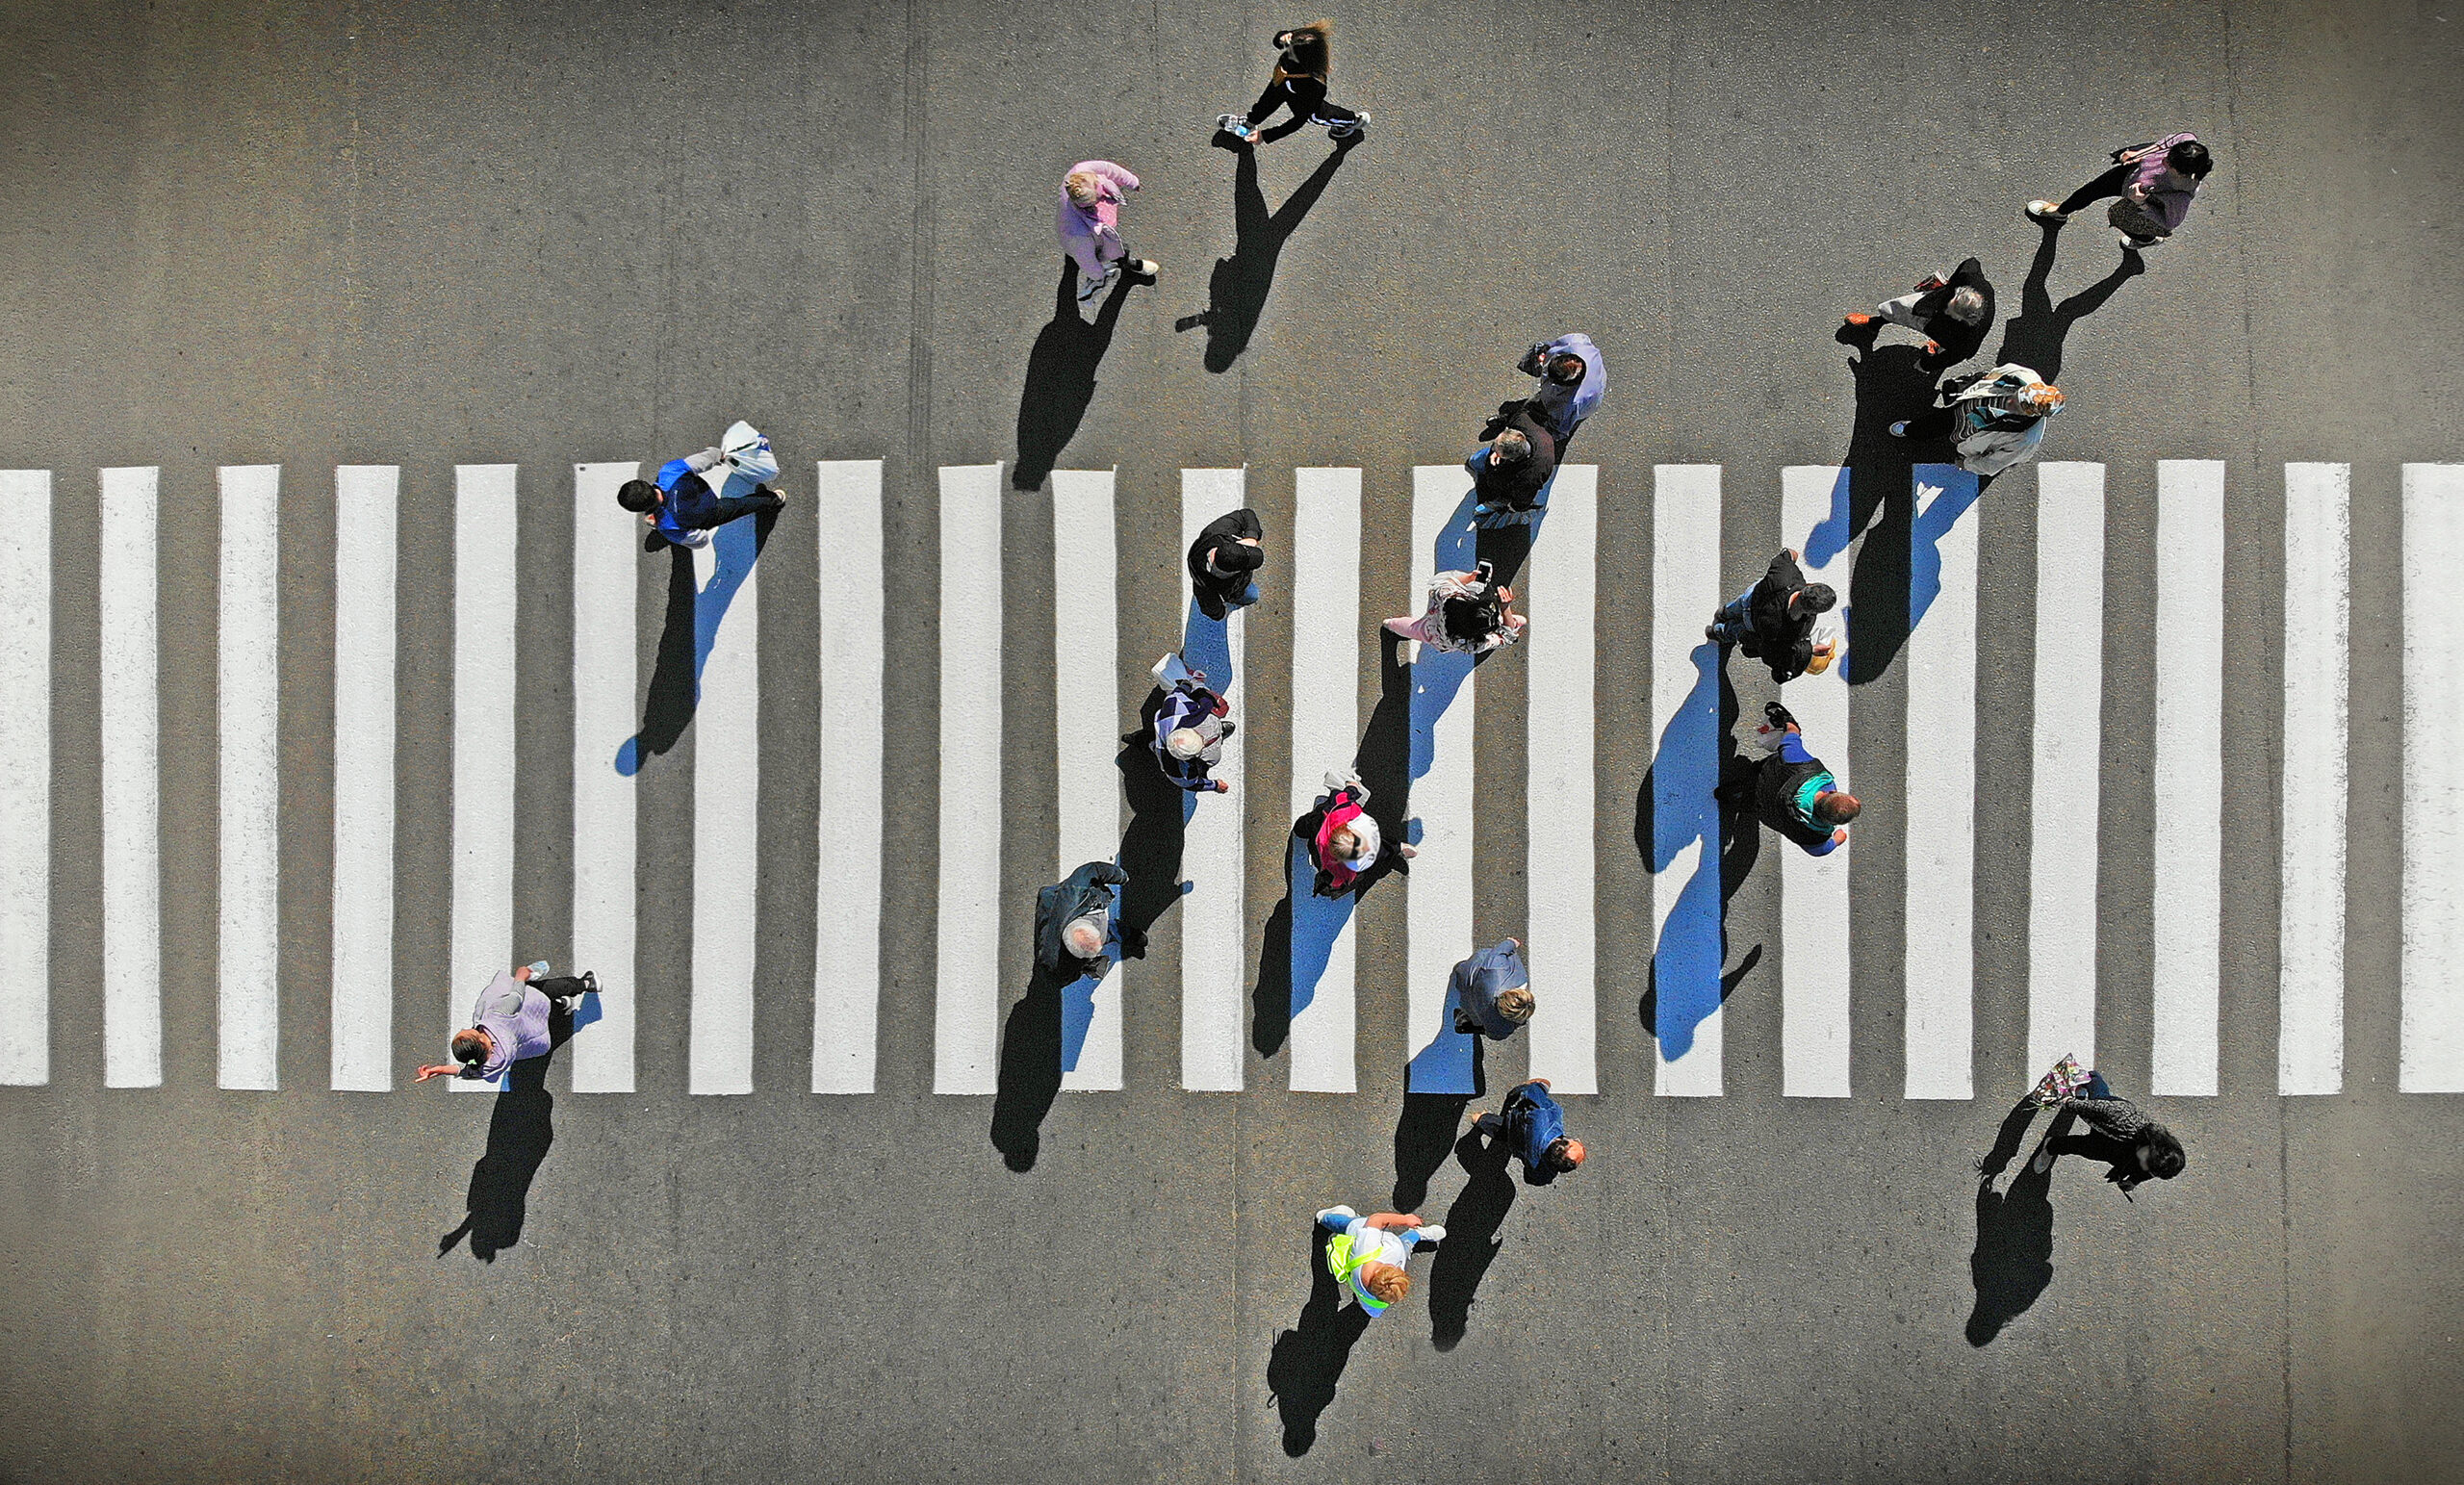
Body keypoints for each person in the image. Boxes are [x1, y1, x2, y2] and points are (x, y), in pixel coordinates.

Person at [2025, 134, 2214, 253]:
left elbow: (2170, 222)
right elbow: (2167, 142)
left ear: (2183, 173)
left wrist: (2141, 203)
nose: (2163, 162)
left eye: (2169, 165)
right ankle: (2061, 212)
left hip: (2136, 196)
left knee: (2128, 221)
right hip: (2128, 173)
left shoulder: (2180, 195)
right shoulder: (2185, 143)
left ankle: (2146, 240)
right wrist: (2138, 154)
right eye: (2167, 157)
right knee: (2090, 190)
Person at [617, 421, 785, 551]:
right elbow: (706, 458)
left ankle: (774, 499)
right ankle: (774, 499)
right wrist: (719, 456)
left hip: (712, 515)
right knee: (740, 505)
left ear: (641, 509)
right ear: (645, 484)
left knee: (740, 507)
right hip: (706, 495)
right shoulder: (669, 472)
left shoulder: (668, 527)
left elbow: (700, 540)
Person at [415, 962, 595, 1084]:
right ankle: (587, 983)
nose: (465, 1028)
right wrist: (520, 976)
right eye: (470, 1031)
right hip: (532, 1010)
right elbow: (517, 996)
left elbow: (468, 1070)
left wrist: (441, 1070)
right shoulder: (498, 1017)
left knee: (546, 1021)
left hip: (534, 1036)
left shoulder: (491, 1064)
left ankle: (562, 1009)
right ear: (480, 1041)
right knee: (542, 991)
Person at [1722, 701, 1857, 857]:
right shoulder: (1816, 836)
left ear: (1830, 792)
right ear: (1832, 822)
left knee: (1755, 770)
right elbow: (1820, 850)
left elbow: (1789, 742)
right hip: (1766, 811)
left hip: (1762, 775)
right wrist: (1837, 840)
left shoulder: (1806, 769)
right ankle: (1736, 800)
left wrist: (1792, 725)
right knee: (1748, 804)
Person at [2030, 1066, 2189, 1193]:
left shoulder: (2161, 1157)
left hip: (2113, 1148)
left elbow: (2149, 1171)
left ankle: (2052, 1145)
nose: (2144, 1166)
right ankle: (2091, 1078)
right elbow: (2099, 1108)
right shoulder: (2120, 1117)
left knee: (2082, 1147)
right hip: (2108, 1118)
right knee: (2099, 1095)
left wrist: (2134, 1181)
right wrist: (2069, 1103)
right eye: (2146, 1163)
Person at [1890, 363, 2065, 477]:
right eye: (2016, 397)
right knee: (1933, 424)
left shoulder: (2026, 439)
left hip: (1968, 432)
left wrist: (1967, 464)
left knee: (1944, 429)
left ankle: (1917, 432)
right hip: (1963, 406)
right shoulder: (2026, 377)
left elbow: (1992, 464)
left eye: (2018, 407)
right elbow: (2004, 370)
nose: (2011, 402)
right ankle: (1911, 430)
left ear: (2034, 415)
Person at [1216, 21, 1369, 145]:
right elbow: (1279, 41)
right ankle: (1249, 122)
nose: (1285, 51)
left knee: (1319, 116)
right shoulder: (1303, 41)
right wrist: (1282, 37)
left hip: (1301, 99)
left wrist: (1266, 136)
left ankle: (1352, 120)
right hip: (1284, 81)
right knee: (1266, 101)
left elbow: (1297, 122)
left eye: (1290, 52)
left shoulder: (1315, 86)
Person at [1841, 257, 1997, 374]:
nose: (1945, 308)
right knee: (1898, 308)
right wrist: (1949, 284)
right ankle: (1873, 324)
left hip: (1943, 331)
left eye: (1951, 312)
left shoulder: (1968, 339)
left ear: (1966, 320)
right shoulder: (1972, 280)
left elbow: (1953, 357)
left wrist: (1926, 365)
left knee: (1946, 347)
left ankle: (1936, 346)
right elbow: (1970, 263)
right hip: (1931, 305)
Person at [1706, 549, 1837, 684]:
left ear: (1809, 586)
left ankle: (1723, 613)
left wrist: (1791, 556)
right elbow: (1774, 654)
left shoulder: (1784, 574)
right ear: (1812, 611)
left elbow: (1790, 554)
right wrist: (1812, 649)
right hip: (1753, 624)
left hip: (1752, 598)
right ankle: (1717, 632)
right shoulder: (1797, 629)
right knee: (1736, 630)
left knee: (1736, 606)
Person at [1057, 160, 1158, 303]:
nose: (1102, 199)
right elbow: (1087, 260)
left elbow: (1109, 169)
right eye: (1097, 200)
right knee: (1117, 249)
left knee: (1073, 263)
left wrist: (1131, 181)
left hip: (1074, 234)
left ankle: (1073, 261)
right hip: (1086, 239)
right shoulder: (1078, 234)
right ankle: (1128, 265)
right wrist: (1098, 275)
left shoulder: (1082, 171)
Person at [1311, 1206, 1442, 1315]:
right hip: (1397, 1246)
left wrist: (1405, 1219)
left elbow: (1377, 1219)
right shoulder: (1376, 1292)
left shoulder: (1367, 1248)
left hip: (1359, 1231)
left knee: (1341, 1223)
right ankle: (1417, 1233)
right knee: (1404, 1245)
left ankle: (1324, 1217)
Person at [1306, 770, 1414, 897]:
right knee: (1381, 848)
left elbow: (1344, 797)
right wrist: (1353, 786)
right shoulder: (1346, 870)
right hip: (1327, 850)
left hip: (1322, 826)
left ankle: (1301, 829)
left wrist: (1351, 788)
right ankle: (1397, 848)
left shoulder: (1341, 814)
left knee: (1312, 821)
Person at [1382, 560, 1527, 654]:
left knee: (1413, 627)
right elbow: (1507, 638)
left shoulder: (1447, 596)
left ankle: (1389, 624)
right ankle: (1391, 626)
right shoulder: (1474, 644)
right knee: (1520, 621)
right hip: (1440, 639)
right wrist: (1506, 608)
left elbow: (1447, 581)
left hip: (1435, 616)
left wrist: (1470, 578)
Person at [1468, 1079, 1586, 1186]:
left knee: (1539, 1086)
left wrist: (1542, 1086)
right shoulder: (1544, 1174)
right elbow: (1529, 1178)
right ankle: (1479, 1120)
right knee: (1502, 1133)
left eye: (1576, 1142)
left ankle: (1480, 1118)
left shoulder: (1542, 1115)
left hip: (1515, 1123)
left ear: (1560, 1142)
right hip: (1517, 1145)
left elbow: (1533, 1091)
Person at [1149, 655, 1236, 794]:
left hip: (1161, 732)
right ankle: (1220, 733)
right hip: (1162, 728)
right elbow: (1193, 785)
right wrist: (1195, 683)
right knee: (1212, 758)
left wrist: (1189, 684)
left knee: (1151, 743)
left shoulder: (1174, 705)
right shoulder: (1180, 708)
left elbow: (1181, 691)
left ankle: (1144, 741)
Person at [1035, 860, 1128, 982]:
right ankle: (1118, 931)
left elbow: (1093, 869)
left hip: (1060, 902)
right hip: (1053, 906)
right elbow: (1065, 976)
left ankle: (1118, 932)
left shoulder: (1076, 890)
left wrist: (1121, 876)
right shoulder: (1052, 958)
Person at [1513, 333, 1605, 447]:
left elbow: (1560, 429)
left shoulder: (1570, 404)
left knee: (1546, 418)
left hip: (1587, 403)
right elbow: (1552, 345)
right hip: (1592, 382)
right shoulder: (1575, 342)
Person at [1467, 407, 1557, 515]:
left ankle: (1497, 502)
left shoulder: (1529, 477)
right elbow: (1514, 413)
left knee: (1498, 487)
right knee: (1476, 461)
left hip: (1515, 484)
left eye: (1497, 450)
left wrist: (1513, 507)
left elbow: (1522, 500)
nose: (1493, 449)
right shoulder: (1523, 421)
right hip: (1536, 449)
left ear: (1512, 459)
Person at [1186, 506, 1265, 621]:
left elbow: (1246, 514)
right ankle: (1235, 600)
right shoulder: (1205, 588)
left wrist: (1251, 536)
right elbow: (1214, 611)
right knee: (1253, 595)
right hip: (1235, 591)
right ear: (1233, 572)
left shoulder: (1219, 531)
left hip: (1233, 586)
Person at [1449, 937, 1533, 1039]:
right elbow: (1495, 1036)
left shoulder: (1496, 969)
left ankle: (1459, 967)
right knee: (1473, 1015)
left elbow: (1500, 951)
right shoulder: (1498, 1023)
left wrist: (1512, 943)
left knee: (1464, 967)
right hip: (1470, 997)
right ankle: (1463, 1021)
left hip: (1471, 969)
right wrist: (1514, 1025)